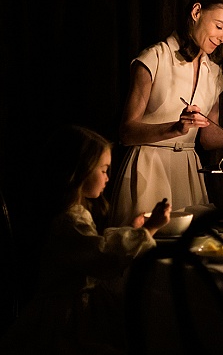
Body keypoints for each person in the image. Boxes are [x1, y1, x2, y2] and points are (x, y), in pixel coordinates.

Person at [0, 125, 171, 354]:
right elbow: (100, 255)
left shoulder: (73, 215)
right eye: (103, 170)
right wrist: (148, 229)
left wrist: (133, 229)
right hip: (64, 321)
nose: (108, 177)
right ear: (79, 171)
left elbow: (91, 245)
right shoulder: (69, 220)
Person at [110, 0, 223, 226]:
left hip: (187, 170)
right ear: (196, 12)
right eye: (219, 26)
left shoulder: (213, 73)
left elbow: (208, 137)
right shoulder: (154, 58)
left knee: (191, 243)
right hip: (148, 168)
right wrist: (175, 128)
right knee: (147, 242)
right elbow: (126, 132)